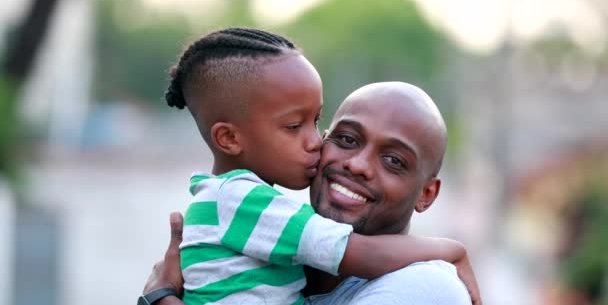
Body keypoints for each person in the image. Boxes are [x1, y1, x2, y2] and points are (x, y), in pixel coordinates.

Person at [145, 28, 480, 305]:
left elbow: (360, 254)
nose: (358, 165)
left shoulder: (424, 289)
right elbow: (358, 253)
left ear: (427, 194)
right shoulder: (250, 212)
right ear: (230, 139)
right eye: (347, 139)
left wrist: (160, 299)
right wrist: (451, 248)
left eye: (394, 161)